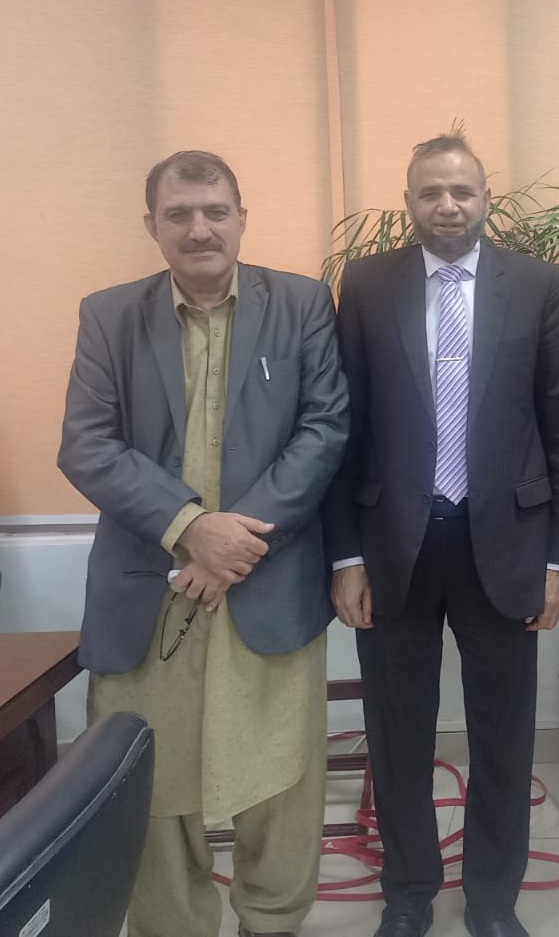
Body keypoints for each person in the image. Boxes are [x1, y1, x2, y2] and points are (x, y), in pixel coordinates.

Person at [58, 150, 350, 937]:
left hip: (267, 582)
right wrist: (192, 528)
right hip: (150, 591)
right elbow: (86, 443)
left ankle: (273, 922)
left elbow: (326, 428)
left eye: (215, 211)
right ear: (151, 224)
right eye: (179, 213)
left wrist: (237, 541)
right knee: (148, 785)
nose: (199, 229)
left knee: (280, 781)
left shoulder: (301, 304)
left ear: (241, 217)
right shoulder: (109, 316)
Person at [322, 134, 559, 937]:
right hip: (392, 546)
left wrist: (557, 556)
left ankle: (493, 898)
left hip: (505, 542)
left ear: (486, 198)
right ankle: (408, 892)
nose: (448, 205)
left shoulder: (533, 282)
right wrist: (346, 553)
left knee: (504, 734)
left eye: (462, 191)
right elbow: (344, 427)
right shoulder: (368, 283)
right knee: (398, 733)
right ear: (409, 202)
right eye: (431, 192)